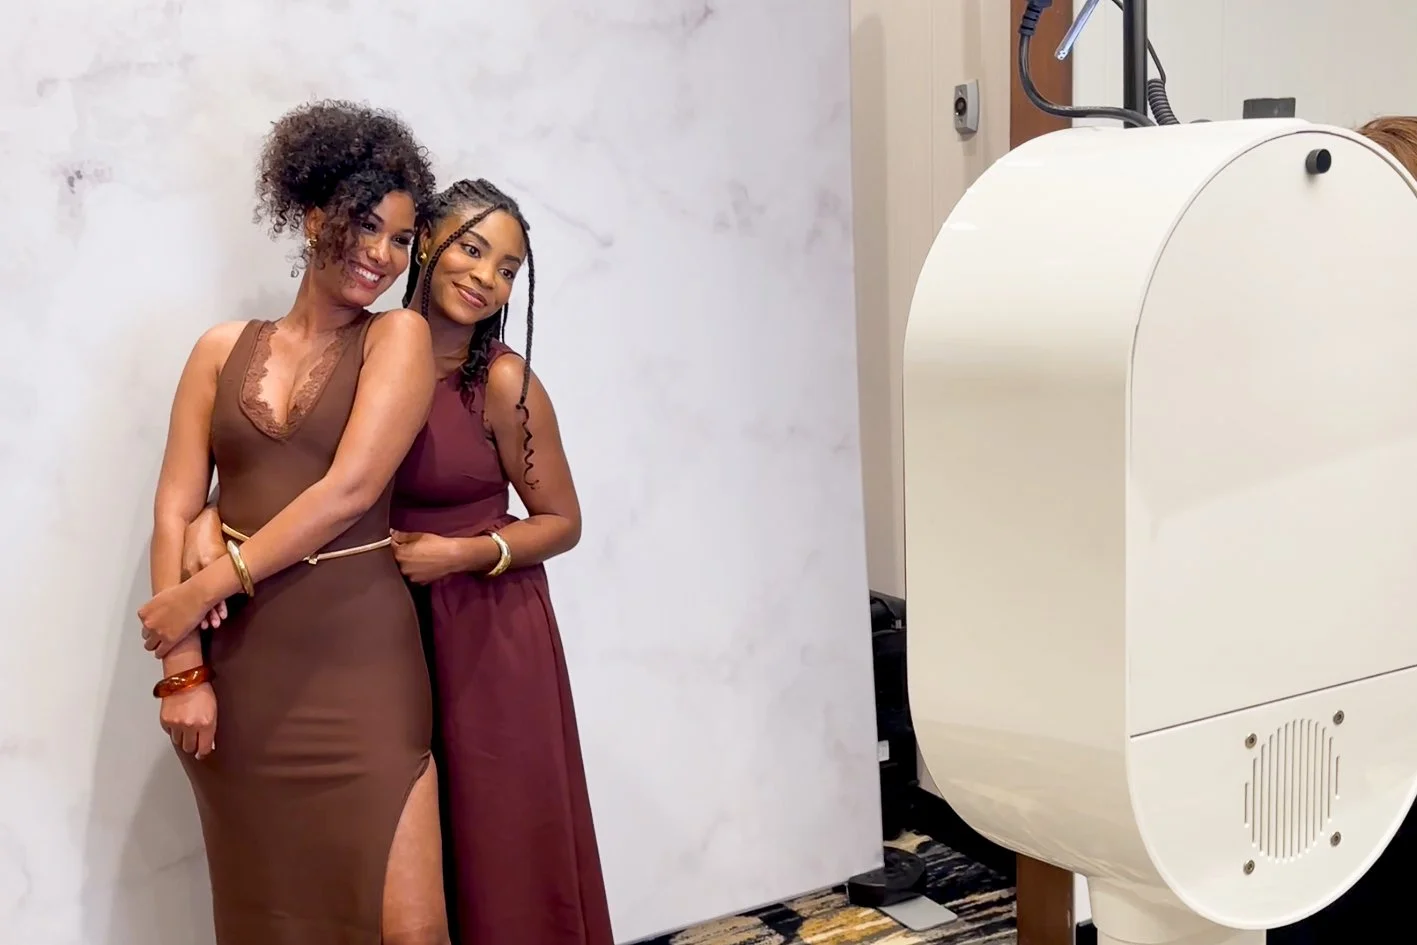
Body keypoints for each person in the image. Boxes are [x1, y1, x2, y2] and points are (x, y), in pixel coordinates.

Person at [183, 177, 614, 944]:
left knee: (494, 844)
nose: (486, 278)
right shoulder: (362, 351)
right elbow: (295, 471)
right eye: (470, 250)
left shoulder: (502, 382)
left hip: (481, 631)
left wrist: (463, 553)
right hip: (371, 631)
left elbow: (563, 521)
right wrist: (210, 517)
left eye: (507, 269)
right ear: (427, 246)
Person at [138, 99, 450, 945]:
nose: (382, 255)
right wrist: (183, 669)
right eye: (366, 226)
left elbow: (349, 489)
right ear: (312, 217)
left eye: (400, 239)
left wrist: (204, 581)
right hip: (241, 678)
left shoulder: (397, 338)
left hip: (360, 666)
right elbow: (174, 504)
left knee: (411, 929)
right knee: (269, 922)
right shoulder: (218, 349)